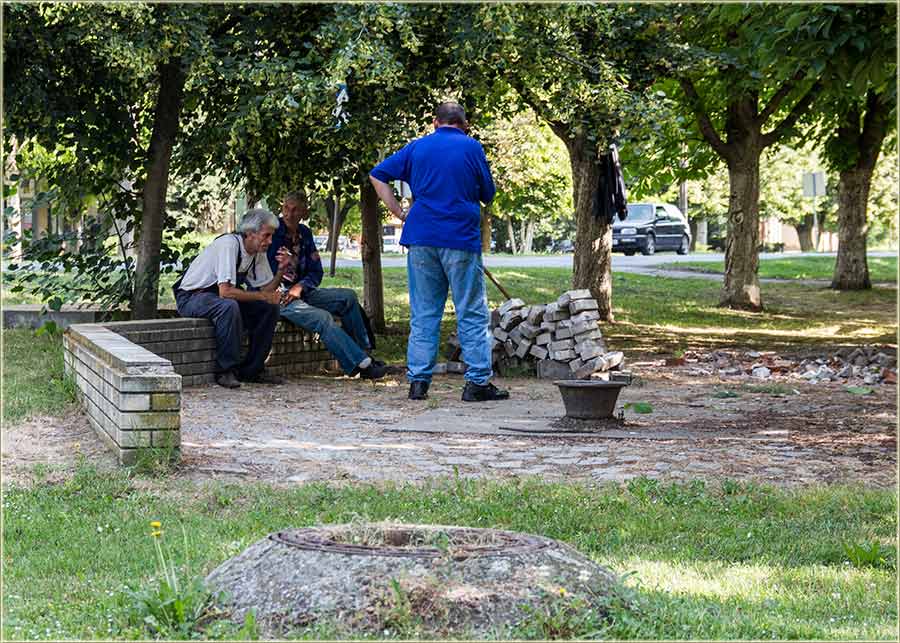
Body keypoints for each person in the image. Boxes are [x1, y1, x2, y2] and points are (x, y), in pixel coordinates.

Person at [369, 101, 509, 402]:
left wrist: (397, 210)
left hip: (420, 237)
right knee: (470, 310)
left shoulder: (417, 147)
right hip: (460, 238)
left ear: (435, 122)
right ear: (465, 124)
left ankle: (418, 382)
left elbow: (378, 175)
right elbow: (488, 194)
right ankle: (477, 384)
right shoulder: (472, 148)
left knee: (424, 312)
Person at [267, 191, 387, 380]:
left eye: (295, 210)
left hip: (302, 291)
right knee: (322, 318)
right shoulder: (272, 233)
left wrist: (300, 287)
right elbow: (265, 275)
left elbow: (316, 272)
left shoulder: (305, 233)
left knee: (347, 297)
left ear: (304, 212)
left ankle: (364, 354)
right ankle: (361, 365)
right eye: (286, 209)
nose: (289, 214)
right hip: (278, 296)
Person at [174, 208, 292, 389]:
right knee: (229, 306)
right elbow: (226, 292)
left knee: (269, 309)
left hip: (219, 298)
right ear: (250, 233)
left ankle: (253, 370)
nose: (270, 241)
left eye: (271, 236)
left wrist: (281, 270)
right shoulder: (229, 245)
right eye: (266, 236)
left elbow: (266, 290)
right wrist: (264, 296)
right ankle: (225, 371)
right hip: (192, 297)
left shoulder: (257, 253)